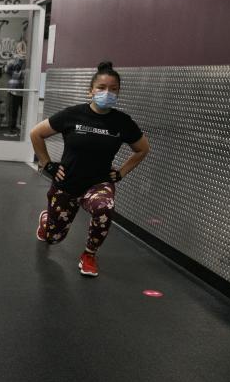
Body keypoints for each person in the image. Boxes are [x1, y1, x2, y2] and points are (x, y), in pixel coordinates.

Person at [29, 61, 151, 276]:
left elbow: (142, 149)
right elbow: (36, 134)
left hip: (98, 183)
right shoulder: (72, 115)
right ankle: (47, 222)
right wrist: (47, 164)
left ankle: (89, 255)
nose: (107, 93)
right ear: (91, 91)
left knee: (104, 208)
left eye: (113, 89)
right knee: (54, 237)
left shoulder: (122, 122)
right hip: (67, 183)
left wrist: (121, 172)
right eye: (102, 88)